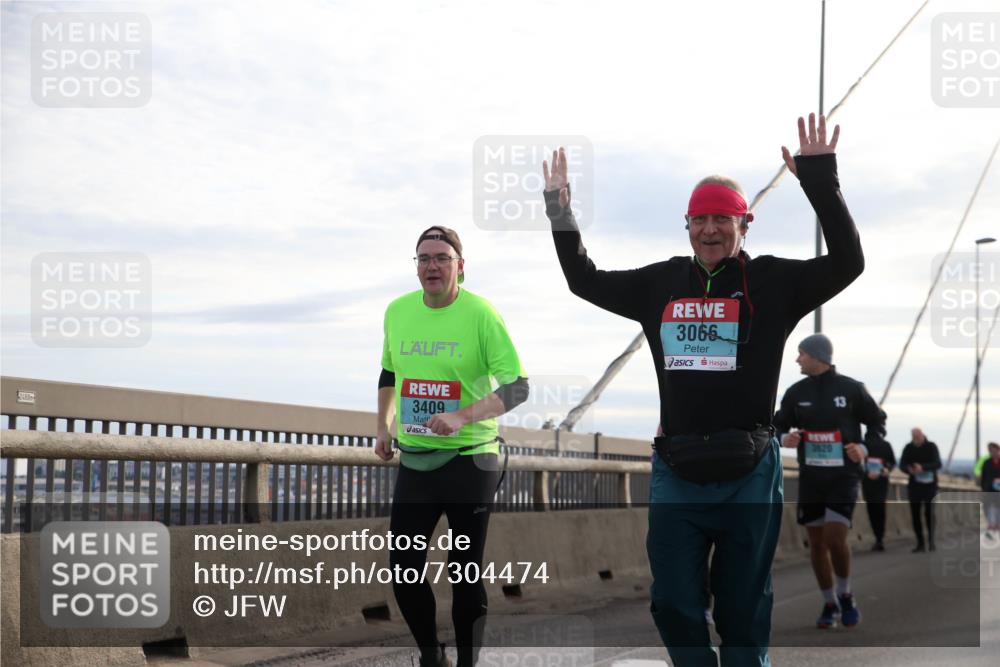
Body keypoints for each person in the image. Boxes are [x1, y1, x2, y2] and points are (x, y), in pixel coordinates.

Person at [542, 113, 864, 667]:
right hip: (678, 471)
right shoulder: (660, 283)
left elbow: (847, 261)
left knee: (743, 610)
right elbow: (583, 279)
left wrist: (819, 180)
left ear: (746, 224)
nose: (710, 229)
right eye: (700, 219)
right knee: (672, 604)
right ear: (686, 225)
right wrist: (559, 210)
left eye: (723, 218)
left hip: (749, 471)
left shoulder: (773, 283)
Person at [375, 226, 529, 667]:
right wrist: (383, 428)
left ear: (461, 266)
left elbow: (518, 388)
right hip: (417, 460)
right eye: (423, 258)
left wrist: (461, 416)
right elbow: (389, 374)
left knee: (464, 572)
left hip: (471, 458)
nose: (432, 266)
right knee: (404, 570)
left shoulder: (481, 314)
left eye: (442, 257)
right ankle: (431, 655)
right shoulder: (398, 311)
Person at [773, 333, 886, 629]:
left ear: (818, 356)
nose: (797, 359)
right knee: (817, 543)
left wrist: (863, 447)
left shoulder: (851, 389)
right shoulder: (796, 392)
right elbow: (776, 424)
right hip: (811, 477)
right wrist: (785, 437)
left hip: (843, 476)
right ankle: (829, 602)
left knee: (836, 539)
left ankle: (845, 594)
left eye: (801, 354)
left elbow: (877, 421)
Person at [899, 427, 942, 553]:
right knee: (915, 514)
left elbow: (938, 464)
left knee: (929, 513)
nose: (916, 439)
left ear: (923, 435)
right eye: (914, 437)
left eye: (918, 437)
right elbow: (902, 464)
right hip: (915, 486)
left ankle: (931, 541)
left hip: (930, 485)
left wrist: (923, 467)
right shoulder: (908, 447)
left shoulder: (931, 446)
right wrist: (909, 469)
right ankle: (920, 543)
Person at [861, 431, 896, 552]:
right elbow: (892, 462)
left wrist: (886, 469)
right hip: (873, 481)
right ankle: (879, 538)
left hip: (876, 481)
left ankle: (878, 538)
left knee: (873, 510)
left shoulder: (864, 444)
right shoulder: (883, 444)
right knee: (878, 510)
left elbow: (892, 462)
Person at [980, 442, 1000, 540]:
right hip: (990, 491)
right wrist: (984, 489)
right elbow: (983, 477)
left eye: (993, 449)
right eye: (990, 450)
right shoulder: (986, 462)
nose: (992, 452)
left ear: (998, 449)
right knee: (990, 509)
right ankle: (992, 530)